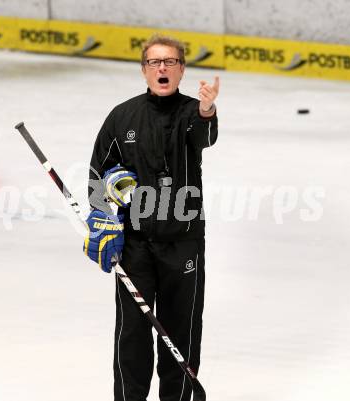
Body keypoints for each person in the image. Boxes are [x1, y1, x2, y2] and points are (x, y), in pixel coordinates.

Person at [85, 34, 219, 401]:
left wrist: (208, 109)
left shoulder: (193, 112)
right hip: (136, 245)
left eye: (170, 62)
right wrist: (101, 220)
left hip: (183, 242)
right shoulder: (122, 116)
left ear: (182, 70)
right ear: (144, 70)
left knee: (181, 332)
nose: (163, 68)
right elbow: (100, 173)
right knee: (133, 334)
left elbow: (204, 136)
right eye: (155, 62)